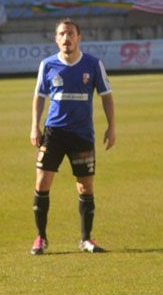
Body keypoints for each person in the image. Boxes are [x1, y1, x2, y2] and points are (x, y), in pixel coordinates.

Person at [30, 18, 116, 256]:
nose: (66, 38)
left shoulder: (92, 64)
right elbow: (39, 97)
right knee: (42, 182)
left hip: (82, 134)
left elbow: (106, 95)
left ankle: (86, 239)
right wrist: (34, 127)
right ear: (56, 38)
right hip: (54, 134)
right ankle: (41, 238)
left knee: (85, 187)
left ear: (79, 37)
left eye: (70, 33)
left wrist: (112, 127)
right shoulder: (47, 65)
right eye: (61, 34)